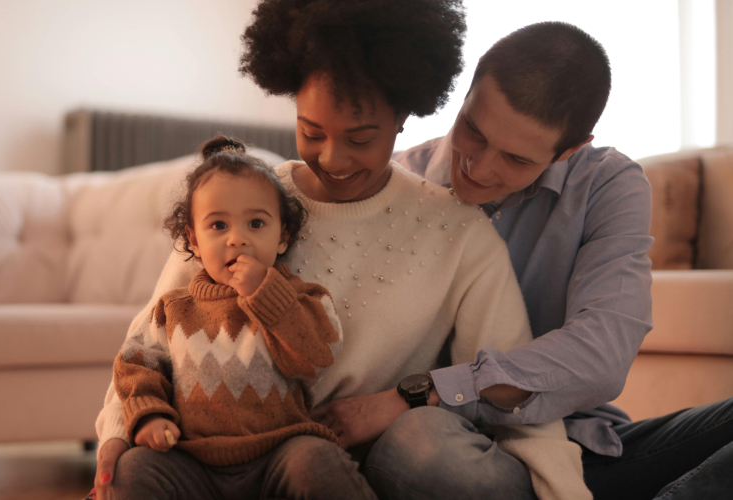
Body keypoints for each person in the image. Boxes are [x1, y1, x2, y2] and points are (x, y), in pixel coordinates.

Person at [94, 2, 592, 499]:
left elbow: (512, 396)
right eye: (311, 132)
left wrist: (565, 490)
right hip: (209, 456)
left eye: (360, 138)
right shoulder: (247, 203)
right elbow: (154, 333)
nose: (332, 157)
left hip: (334, 468)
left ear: (402, 117)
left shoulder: (460, 234)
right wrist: (118, 432)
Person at [375, 21, 733, 500]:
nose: (478, 169)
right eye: (473, 131)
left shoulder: (606, 183)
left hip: (578, 449)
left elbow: (602, 354)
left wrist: (429, 391)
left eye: (517, 160)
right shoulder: (389, 184)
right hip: (442, 452)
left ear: (570, 150)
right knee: (417, 445)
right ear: (465, 95)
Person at [100, 135, 376, 500]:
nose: (237, 239)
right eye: (218, 226)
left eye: (256, 224)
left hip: (279, 453)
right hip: (192, 461)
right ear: (193, 241)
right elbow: (137, 365)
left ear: (283, 236)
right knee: (133, 470)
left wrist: (265, 292)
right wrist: (149, 415)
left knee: (318, 462)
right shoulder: (173, 308)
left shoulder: (302, 298)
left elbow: (316, 357)